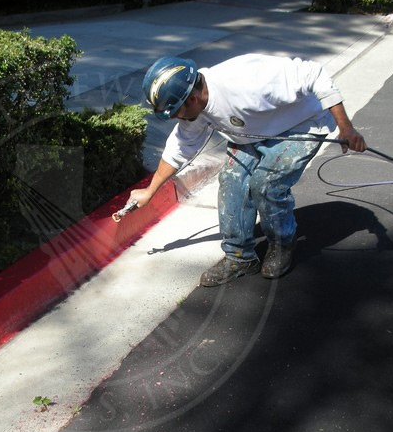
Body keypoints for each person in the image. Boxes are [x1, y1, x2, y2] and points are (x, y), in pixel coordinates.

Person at [131, 54, 367, 286]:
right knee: (232, 182)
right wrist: (149, 191)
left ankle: (282, 243)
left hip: (302, 124)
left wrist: (346, 128)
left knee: (266, 184)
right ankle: (239, 257)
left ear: (191, 99)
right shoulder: (195, 106)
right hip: (252, 133)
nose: (175, 118)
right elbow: (179, 149)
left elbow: (314, 74)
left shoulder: (248, 81)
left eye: (175, 112)